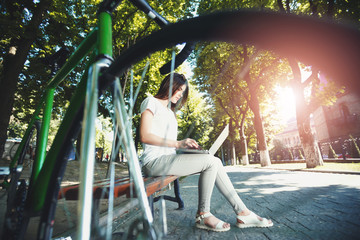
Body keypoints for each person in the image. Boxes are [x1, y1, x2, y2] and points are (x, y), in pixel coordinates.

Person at [139, 73, 273, 232]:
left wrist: (186, 146)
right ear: (169, 86)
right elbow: (145, 135)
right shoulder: (151, 102)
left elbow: (169, 145)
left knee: (212, 160)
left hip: (167, 159)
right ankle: (204, 214)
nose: (180, 95)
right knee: (211, 162)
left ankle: (242, 212)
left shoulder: (170, 113)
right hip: (153, 162)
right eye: (179, 90)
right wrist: (177, 143)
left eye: (183, 92)